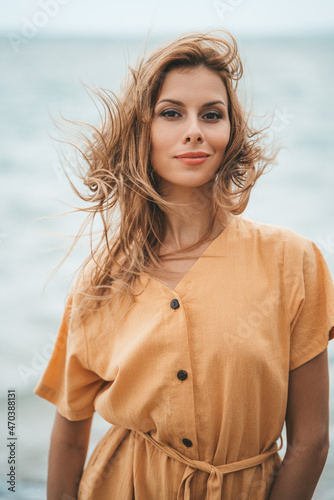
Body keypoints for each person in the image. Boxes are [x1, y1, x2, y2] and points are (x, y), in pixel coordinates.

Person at [34, 29, 334, 500]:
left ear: (229, 132)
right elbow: (71, 436)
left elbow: (312, 443)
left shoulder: (292, 262)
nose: (194, 129)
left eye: (211, 115)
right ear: (143, 131)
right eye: (171, 113)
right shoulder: (101, 283)